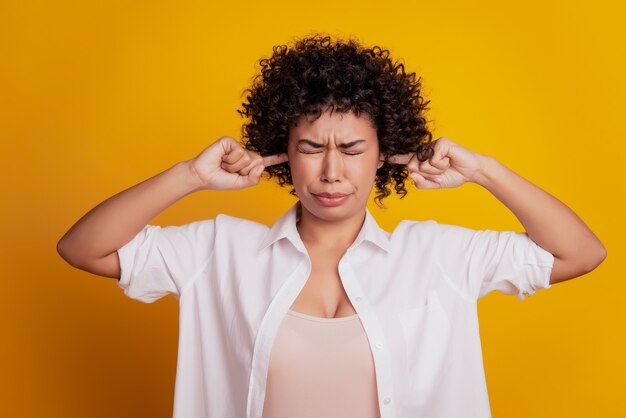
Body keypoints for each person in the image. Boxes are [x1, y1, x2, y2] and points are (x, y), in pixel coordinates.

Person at [57, 33, 606, 418]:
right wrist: (189, 176)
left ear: (383, 154)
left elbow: (580, 253)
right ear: (284, 154)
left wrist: (486, 171)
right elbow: (82, 248)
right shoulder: (220, 250)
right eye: (311, 148)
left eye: (351, 149)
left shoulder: (439, 257)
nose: (330, 171)